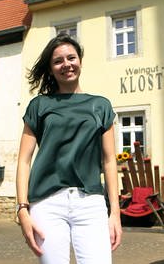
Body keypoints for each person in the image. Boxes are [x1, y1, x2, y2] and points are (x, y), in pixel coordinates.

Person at [16, 33, 122, 264]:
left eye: (71, 58)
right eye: (58, 61)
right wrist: (22, 209)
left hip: (90, 202)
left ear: (80, 60)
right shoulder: (39, 105)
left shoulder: (100, 105)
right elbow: (24, 160)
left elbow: (109, 160)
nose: (66, 64)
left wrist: (115, 212)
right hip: (46, 203)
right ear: (51, 68)